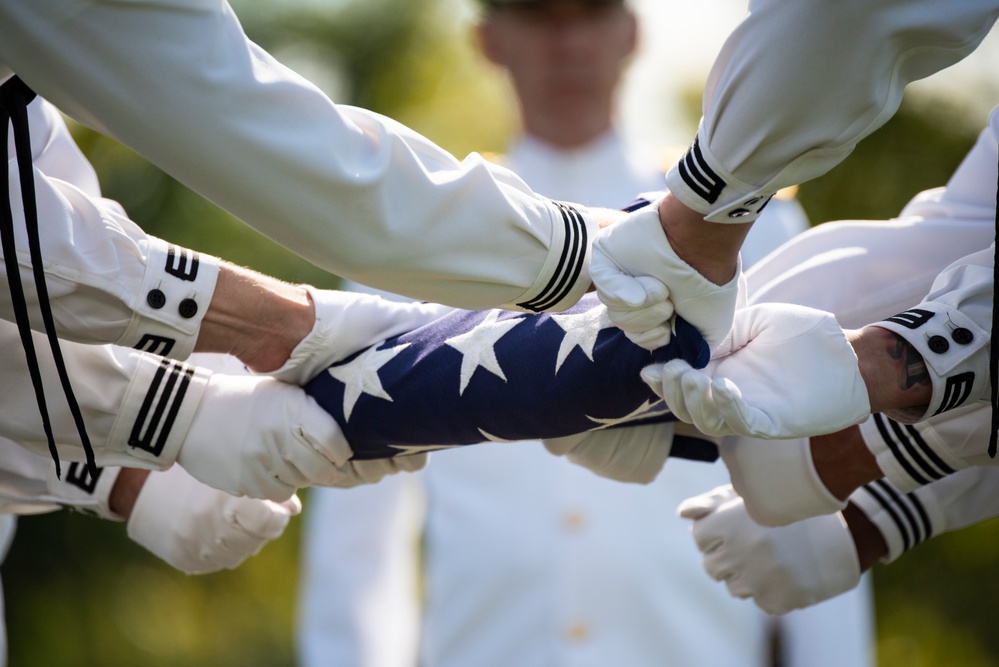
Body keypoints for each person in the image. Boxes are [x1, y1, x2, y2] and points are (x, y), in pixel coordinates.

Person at [297, 2, 872, 666]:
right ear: (488, 39)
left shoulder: (745, 225)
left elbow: (817, 469)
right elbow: (357, 530)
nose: (567, 42)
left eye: (591, 12)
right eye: (539, 15)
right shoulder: (416, 233)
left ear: (630, 31)